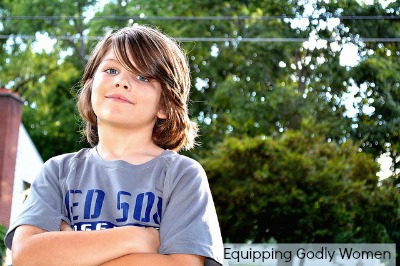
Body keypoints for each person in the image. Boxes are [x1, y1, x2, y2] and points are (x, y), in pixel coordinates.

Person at [4, 25, 224, 266]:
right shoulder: (57, 172)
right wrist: (137, 237)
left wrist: (73, 251)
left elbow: (183, 264)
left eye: (142, 76)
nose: (121, 81)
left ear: (165, 105)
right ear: (90, 88)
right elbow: (26, 255)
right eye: (111, 70)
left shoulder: (182, 175)